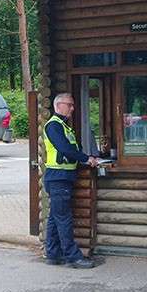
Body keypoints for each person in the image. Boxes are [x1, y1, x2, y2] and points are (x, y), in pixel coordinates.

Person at [42, 92, 100, 268]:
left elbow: (72, 148)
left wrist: (85, 156)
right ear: (58, 106)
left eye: (73, 105)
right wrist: (86, 159)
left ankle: (53, 254)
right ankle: (73, 257)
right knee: (64, 218)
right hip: (58, 177)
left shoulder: (65, 126)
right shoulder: (53, 125)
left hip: (62, 177)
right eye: (70, 105)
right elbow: (65, 149)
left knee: (55, 217)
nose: (72, 108)